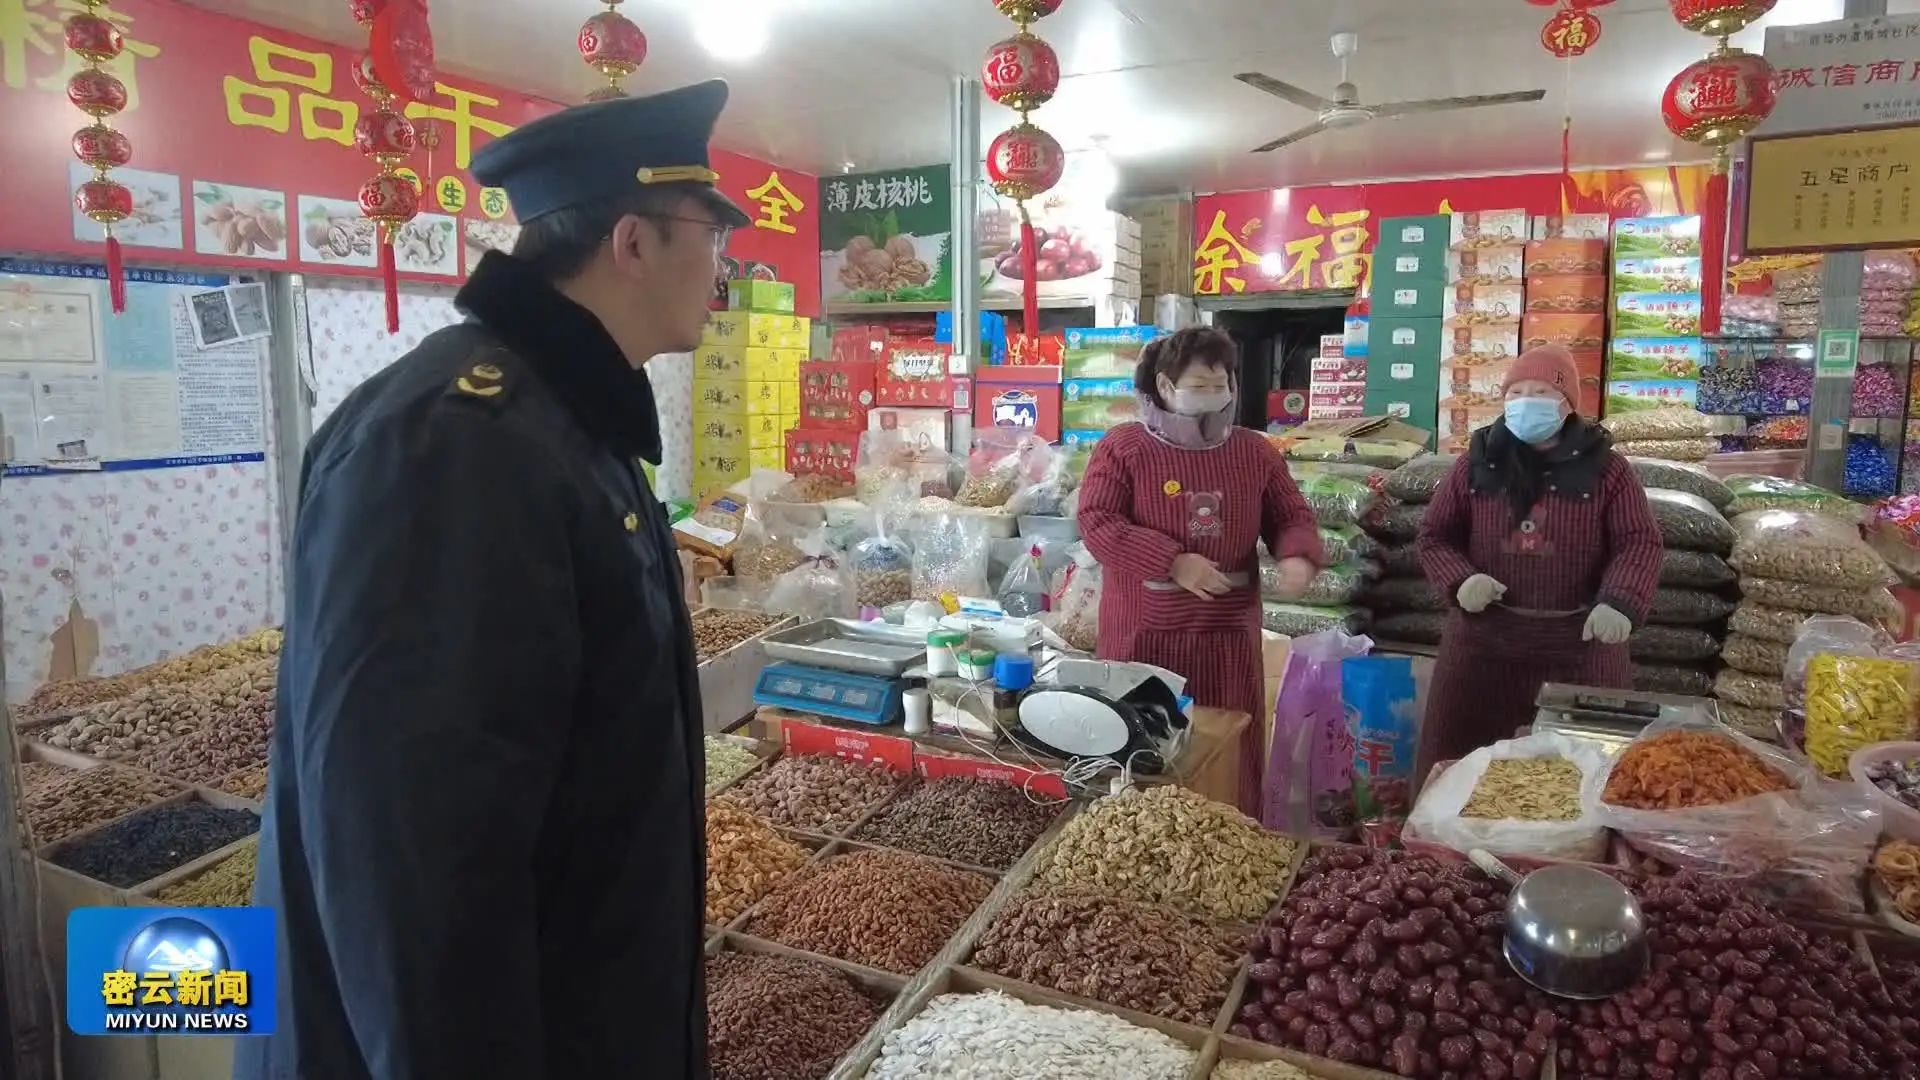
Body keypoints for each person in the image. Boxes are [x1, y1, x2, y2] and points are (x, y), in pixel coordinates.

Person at [238, 81, 750, 1080]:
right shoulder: (455, 445)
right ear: (632, 242)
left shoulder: (573, 423)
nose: (723, 267)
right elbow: (417, 874)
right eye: (711, 234)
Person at [1077, 326, 1324, 814]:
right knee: (1143, 758)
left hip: (1227, 638)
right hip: (1144, 639)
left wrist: (1297, 553)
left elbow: (1291, 515)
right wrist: (1172, 561)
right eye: (1198, 385)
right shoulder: (1124, 448)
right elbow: (1097, 521)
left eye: (1220, 383)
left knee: (1229, 756)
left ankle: (1233, 837)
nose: (1212, 394)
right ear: (1165, 385)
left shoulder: (1254, 452)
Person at [1416, 344, 1661, 775]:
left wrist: (1620, 601)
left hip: (1580, 651)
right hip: (1482, 651)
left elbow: (1639, 541)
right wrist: (1460, 580)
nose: (1526, 402)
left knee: (1580, 778)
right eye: (1516, 393)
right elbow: (1435, 535)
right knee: (1459, 771)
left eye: (1541, 392)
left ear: (1567, 405)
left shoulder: (1609, 470)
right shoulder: (1475, 463)